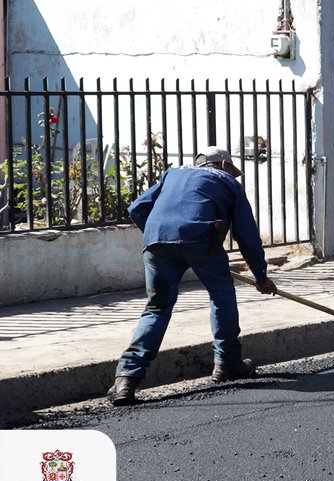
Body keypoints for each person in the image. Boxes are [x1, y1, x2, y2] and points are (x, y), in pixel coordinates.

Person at [107, 147, 278, 406]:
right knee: (221, 297)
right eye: (230, 169)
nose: (232, 174)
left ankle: (126, 378)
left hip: (157, 241)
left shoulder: (172, 174)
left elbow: (137, 208)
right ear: (223, 164)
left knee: (157, 308)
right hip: (202, 240)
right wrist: (260, 276)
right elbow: (247, 236)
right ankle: (227, 362)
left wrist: (162, 236)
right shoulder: (228, 181)